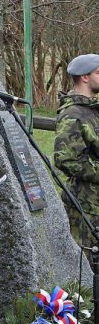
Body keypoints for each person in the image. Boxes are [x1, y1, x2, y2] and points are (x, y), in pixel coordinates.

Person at [54, 54, 99, 267]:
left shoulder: (93, 110)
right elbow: (67, 159)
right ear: (84, 77)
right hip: (85, 207)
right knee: (85, 268)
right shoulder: (73, 113)